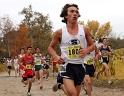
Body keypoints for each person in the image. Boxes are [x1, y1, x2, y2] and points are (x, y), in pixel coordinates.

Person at [48, 3, 95, 96]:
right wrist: (56, 56)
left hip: (80, 66)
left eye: (76, 12)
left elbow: (93, 45)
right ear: (66, 15)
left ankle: (60, 85)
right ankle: (61, 84)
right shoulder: (60, 32)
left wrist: (86, 51)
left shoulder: (85, 29)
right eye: (72, 11)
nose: (75, 14)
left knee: (74, 95)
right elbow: (50, 47)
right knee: (73, 94)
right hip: (65, 65)